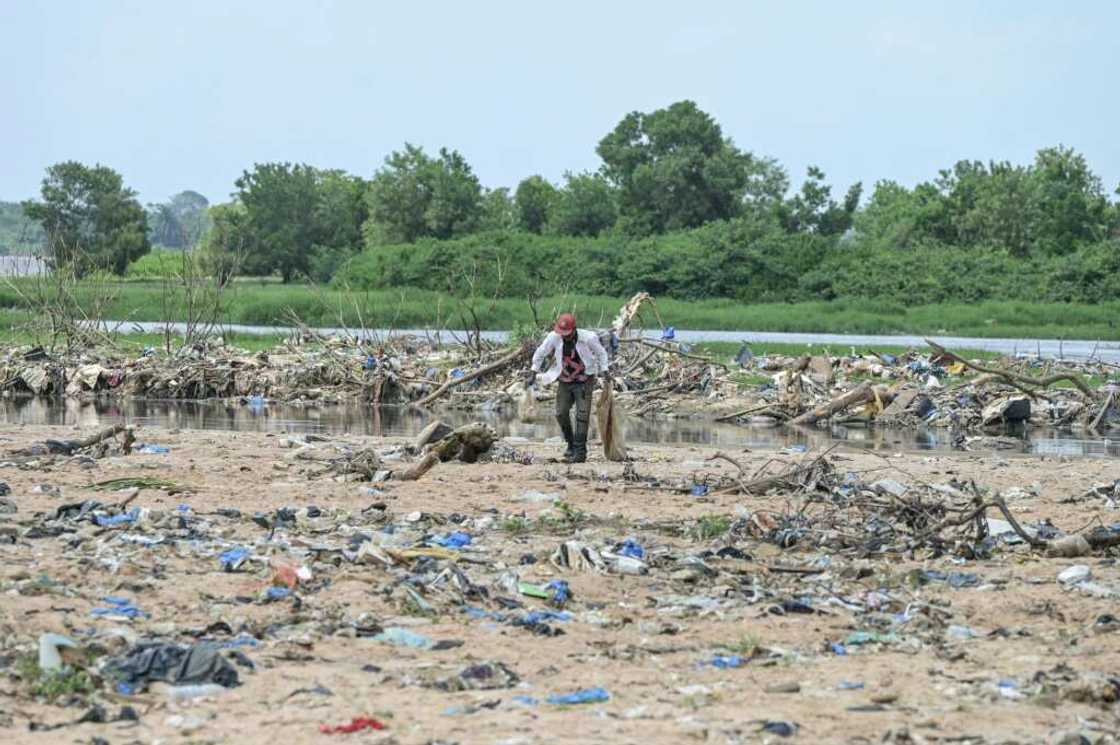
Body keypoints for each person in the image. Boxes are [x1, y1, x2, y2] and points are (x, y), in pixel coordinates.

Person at [530, 313, 610, 462]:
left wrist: (605, 370)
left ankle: (580, 452)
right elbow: (541, 352)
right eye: (562, 334)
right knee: (560, 413)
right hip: (565, 380)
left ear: (574, 329)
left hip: (585, 379)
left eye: (567, 334)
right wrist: (533, 371)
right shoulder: (553, 337)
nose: (565, 337)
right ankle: (571, 444)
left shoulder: (589, 338)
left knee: (582, 415)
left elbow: (601, 353)